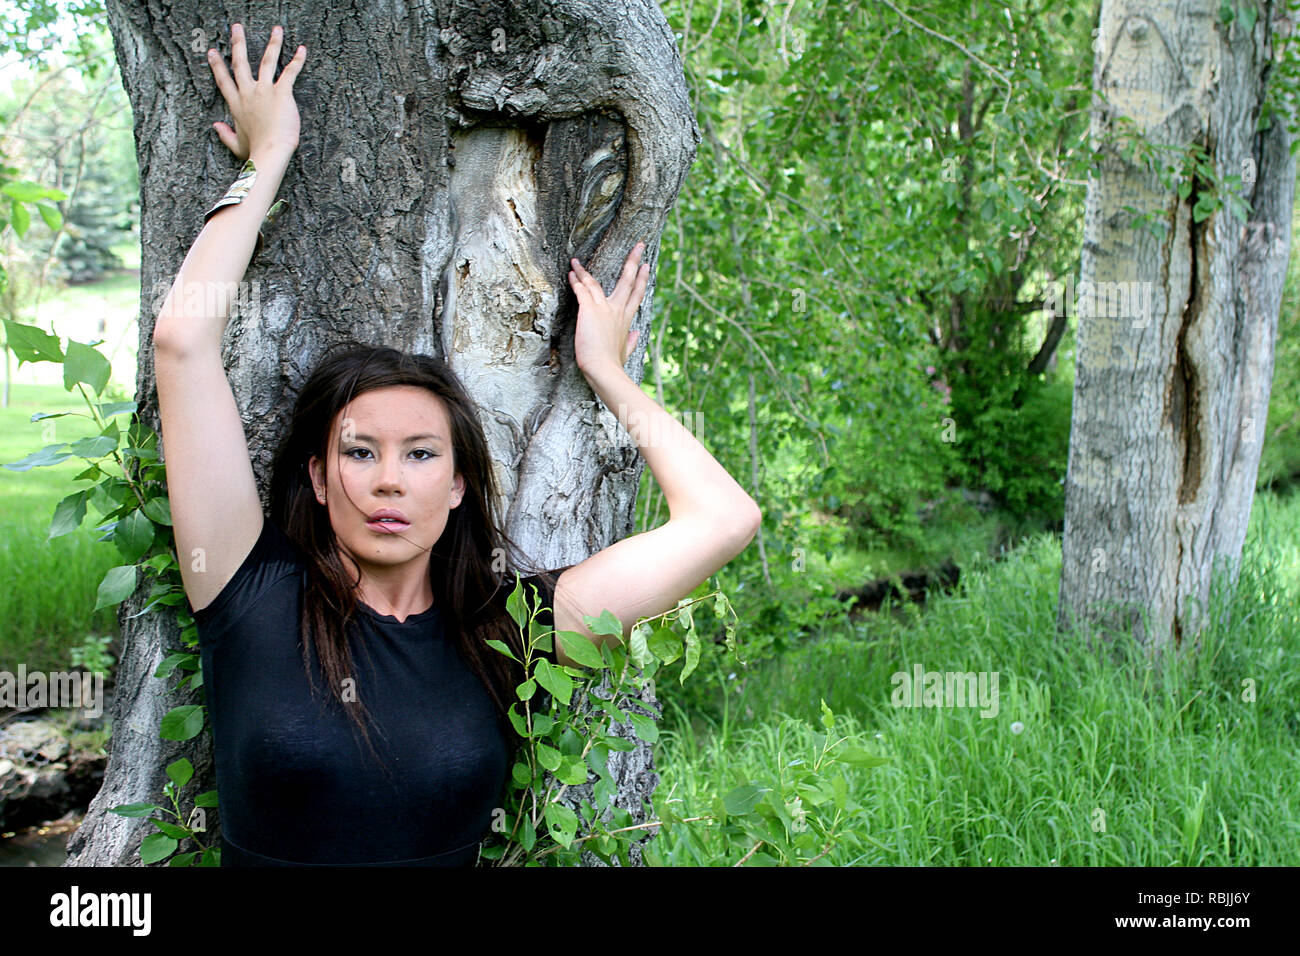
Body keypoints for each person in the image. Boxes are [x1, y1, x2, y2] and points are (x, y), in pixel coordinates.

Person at [151, 22, 762, 866]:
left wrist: (609, 375)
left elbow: (724, 519)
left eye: (422, 454)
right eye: (359, 453)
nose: (388, 482)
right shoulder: (249, 597)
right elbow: (182, 347)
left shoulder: (512, 633)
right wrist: (268, 157)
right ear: (320, 480)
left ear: (461, 485)